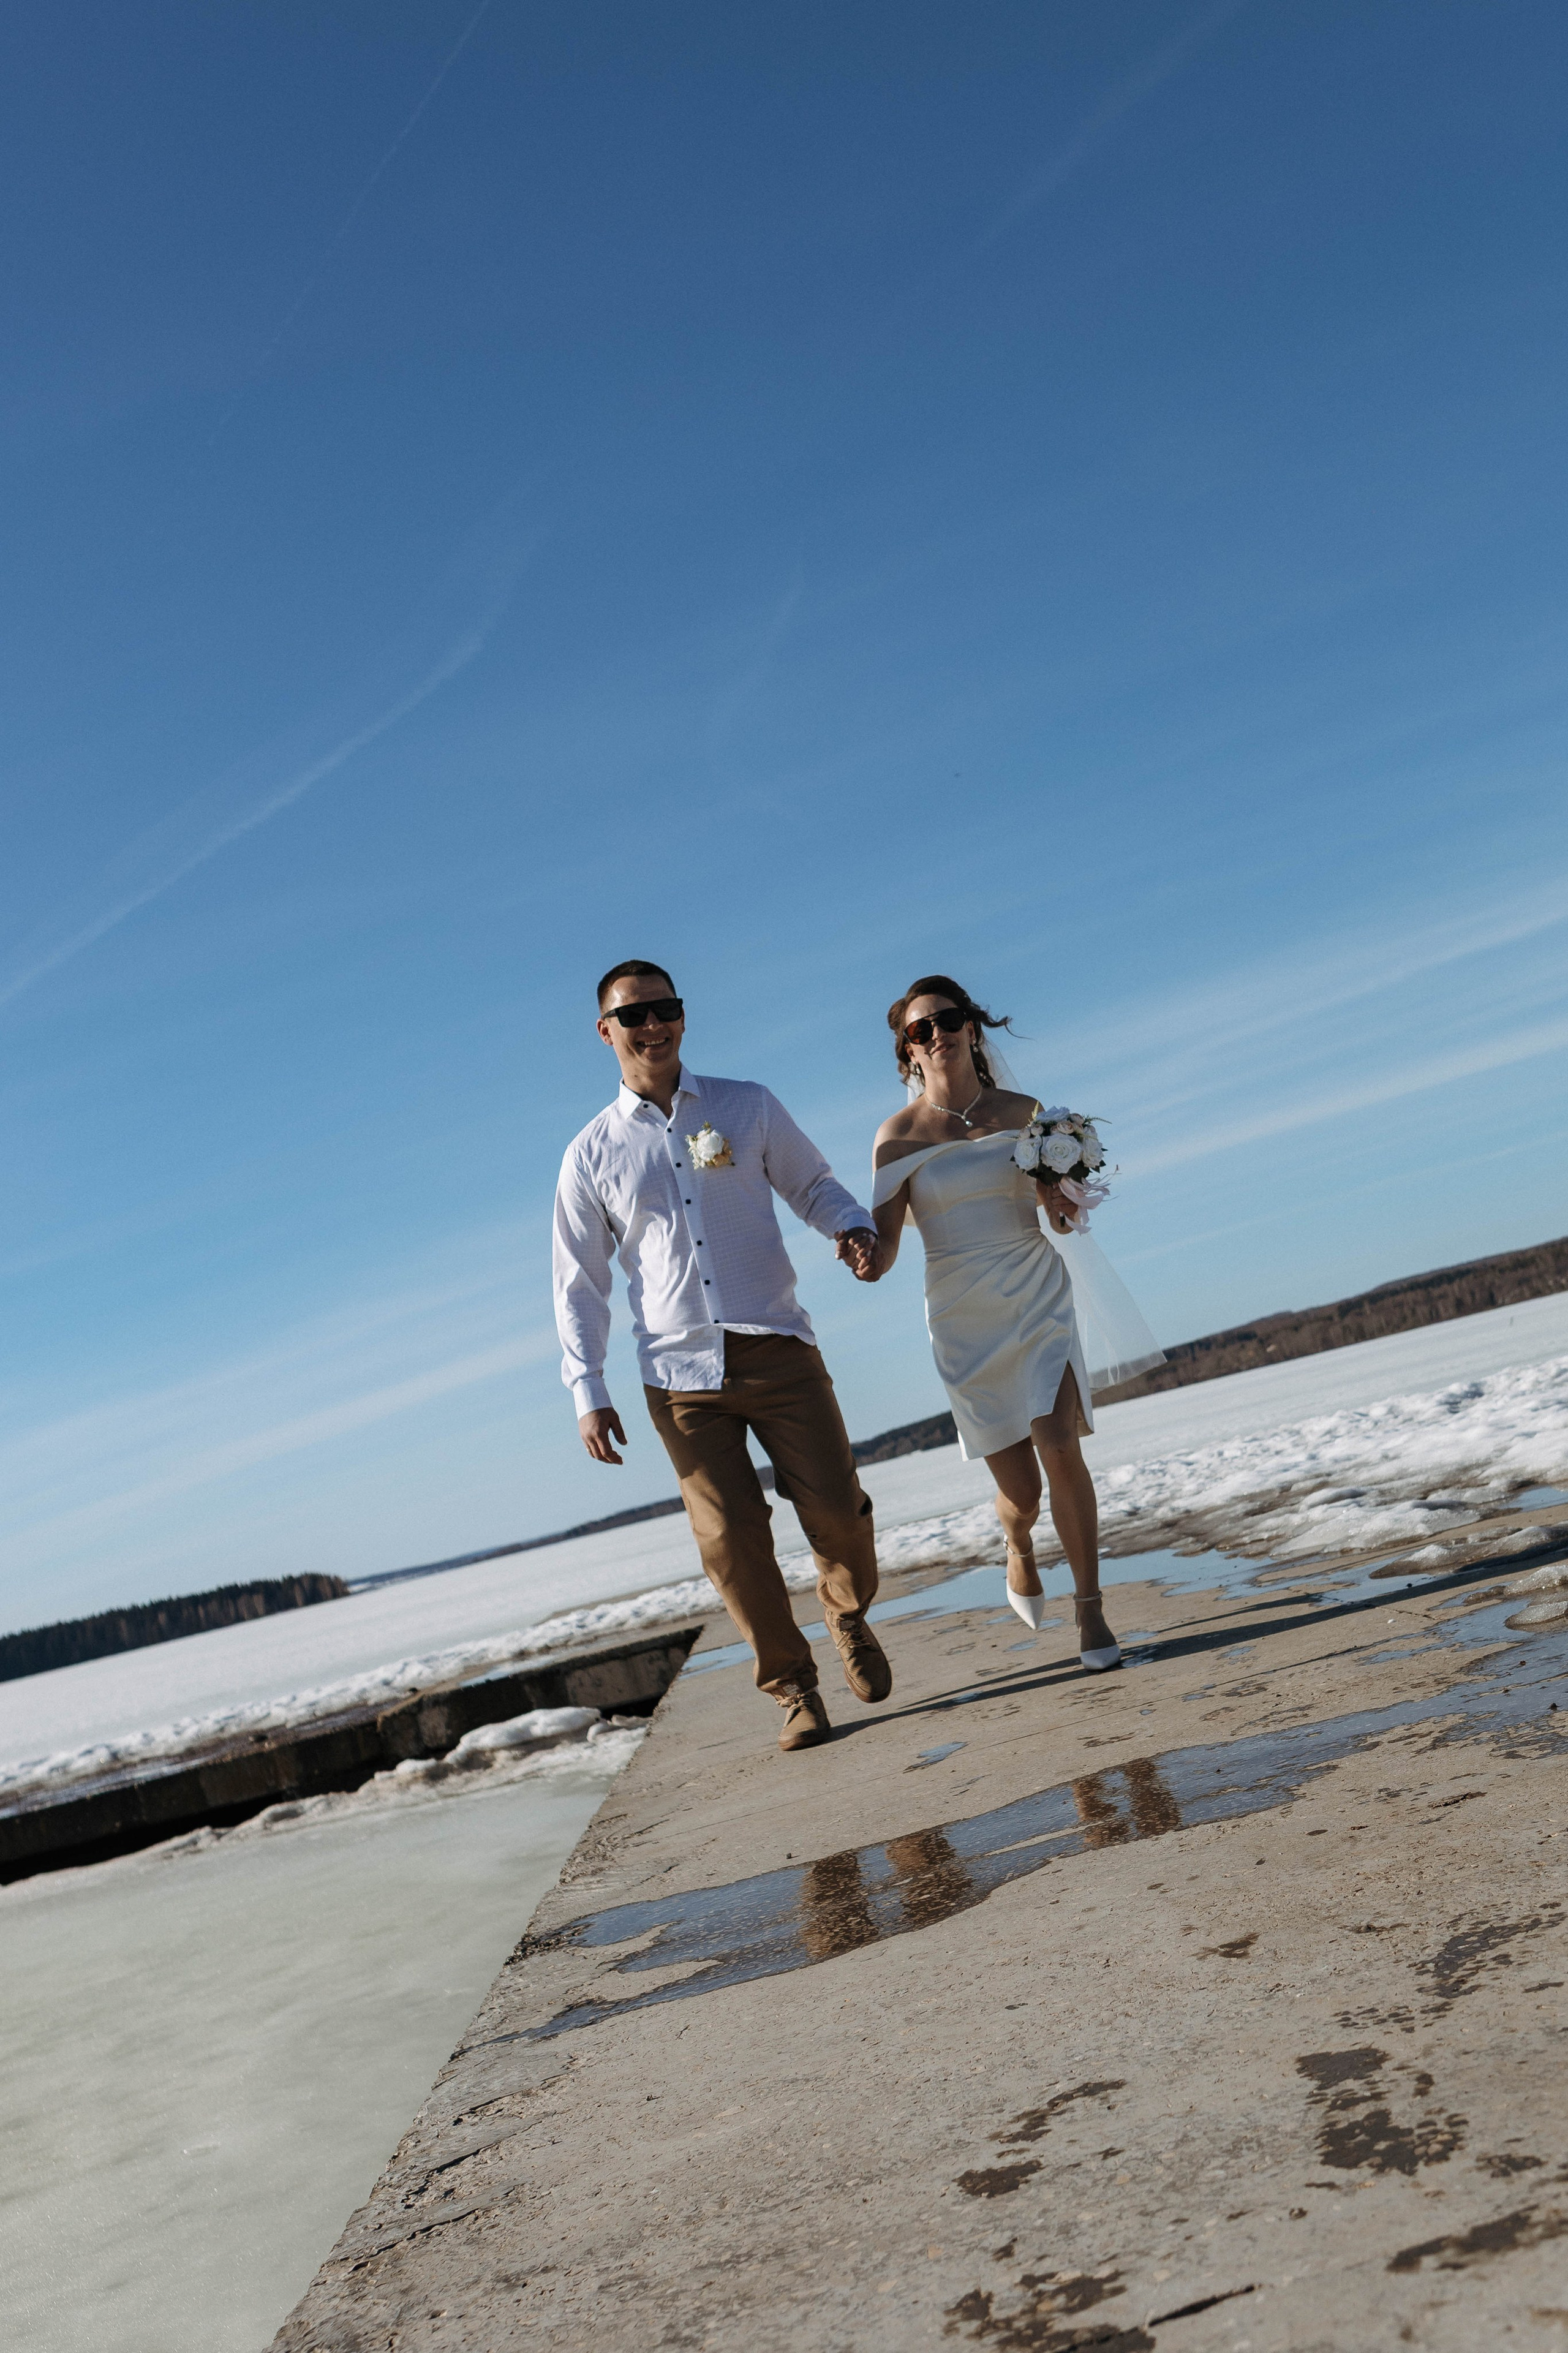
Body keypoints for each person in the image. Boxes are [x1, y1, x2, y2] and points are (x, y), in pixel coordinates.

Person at [553, 959, 892, 1751]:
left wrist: (851, 1227)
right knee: (732, 1540)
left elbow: (812, 1184)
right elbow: (580, 1282)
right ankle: (793, 1690)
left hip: (777, 1344)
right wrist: (586, 1387)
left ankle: (845, 1611)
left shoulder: (748, 1104)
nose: (653, 1026)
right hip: (678, 1381)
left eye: (664, 1009)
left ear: (682, 1016)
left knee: (839, 1514)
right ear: (606, 1032)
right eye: (633, 1016)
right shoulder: (590, 1154)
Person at [865, 975, 1123, 1670]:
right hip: (961, 1314)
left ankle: (1091, 1612)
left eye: (947, 1021)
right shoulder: (894, 1140)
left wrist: (1067, 1197)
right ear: (907, 1052)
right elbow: (884, 1250)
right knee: (1023, 1492)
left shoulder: (1026, 1111)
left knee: (1059, 1444)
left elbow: (1056, 1213)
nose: (936, 1035)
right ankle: (1016, 1541)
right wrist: (861, 1254)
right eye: (919, 1030)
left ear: (972, 1029)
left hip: (1036, 1289)